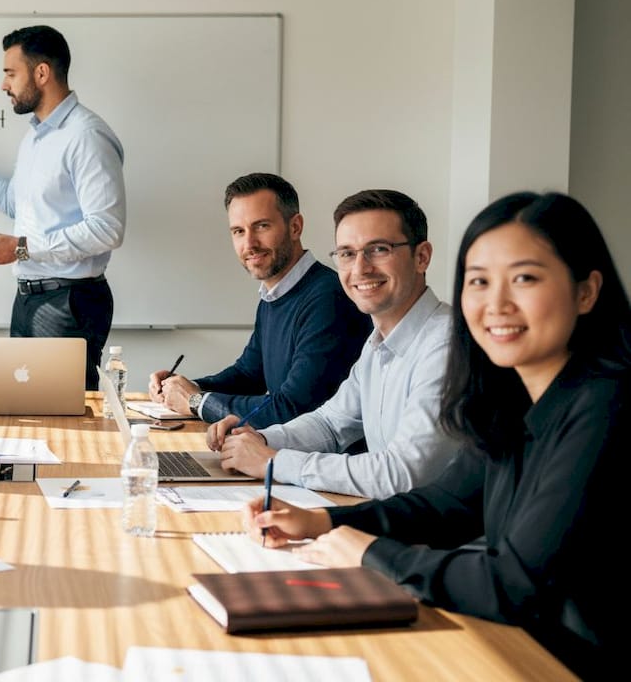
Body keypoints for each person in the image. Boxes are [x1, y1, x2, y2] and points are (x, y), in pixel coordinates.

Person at [240, 192, 627, 678]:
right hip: (525, 643)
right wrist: (323, 522)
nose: (496, 304)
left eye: (524, 278)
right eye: (479, 281)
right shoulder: (519, 397)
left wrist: (370, 553)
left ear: (587, 291)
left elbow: (518, 584)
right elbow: (447, 504)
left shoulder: (605, 405)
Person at [212, 190, 460, 498]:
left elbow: (402, 473)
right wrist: (260, 439)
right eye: (346, 253)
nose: (360, 268)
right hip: (394, 521)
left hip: (439, 538)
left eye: (379, 249)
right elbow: (329, 424)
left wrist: (274, 462)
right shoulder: (377, 345)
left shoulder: (448, 345)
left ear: (421, 256)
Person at [0, 24, 125, 389]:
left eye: (9, 73)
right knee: (29, 408)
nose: (4, 85)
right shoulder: (36, 136)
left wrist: (19, 247)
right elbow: (13, 201)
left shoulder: (86, 136)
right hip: (30, 297)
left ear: (42, 73)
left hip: (69, 301)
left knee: (64, 419)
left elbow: (107, 227)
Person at [148, 173, 370, 426]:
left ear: (295, 226)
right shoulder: (273, 293)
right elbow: (249, 374)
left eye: (262, 226)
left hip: (321, 460)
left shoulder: (329, 297)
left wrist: (195, 401)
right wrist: (184, 387)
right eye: (238, 231)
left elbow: (293, 409)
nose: (249, 243)